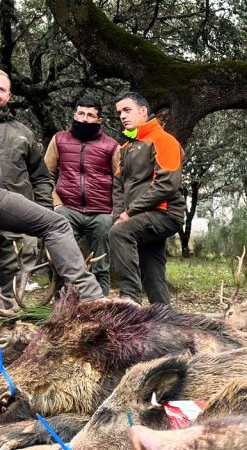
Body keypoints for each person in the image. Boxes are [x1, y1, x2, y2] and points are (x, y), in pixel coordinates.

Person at [0, 71, 103, 301]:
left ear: (9, 94)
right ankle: (93, 301)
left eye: (1, 89)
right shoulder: (59, 140)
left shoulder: (23, 134)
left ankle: (9, 314)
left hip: (16, 216)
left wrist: (43, 210)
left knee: (12, 280)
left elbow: (41, 177)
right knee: (57, 225)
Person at [107, 92, 185, 305]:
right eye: (119, 112)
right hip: (140, 217)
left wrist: (129, 213)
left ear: (143, 111)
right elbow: (118, 187)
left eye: (127, 110)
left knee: (120, 233)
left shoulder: (164, 141)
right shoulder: (125, 148)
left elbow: (167, 184)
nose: (122, 116)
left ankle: (130, 299)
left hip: (165, 213)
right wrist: (117, 215)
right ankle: (166, 319)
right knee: (152, 270)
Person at [44, 97, 119, 295]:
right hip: (67, 209)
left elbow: (120, 181)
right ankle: (60, 306)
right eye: (81, 113)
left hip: (101, 213)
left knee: (101, 264)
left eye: (90, 115)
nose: (84, 119)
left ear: (99, 120)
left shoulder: (111, 146)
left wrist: (113, 211)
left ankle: (101, 307)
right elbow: (46, 175)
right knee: (59, 260)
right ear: (75, 114)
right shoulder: (59, 139)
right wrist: (56, 204)